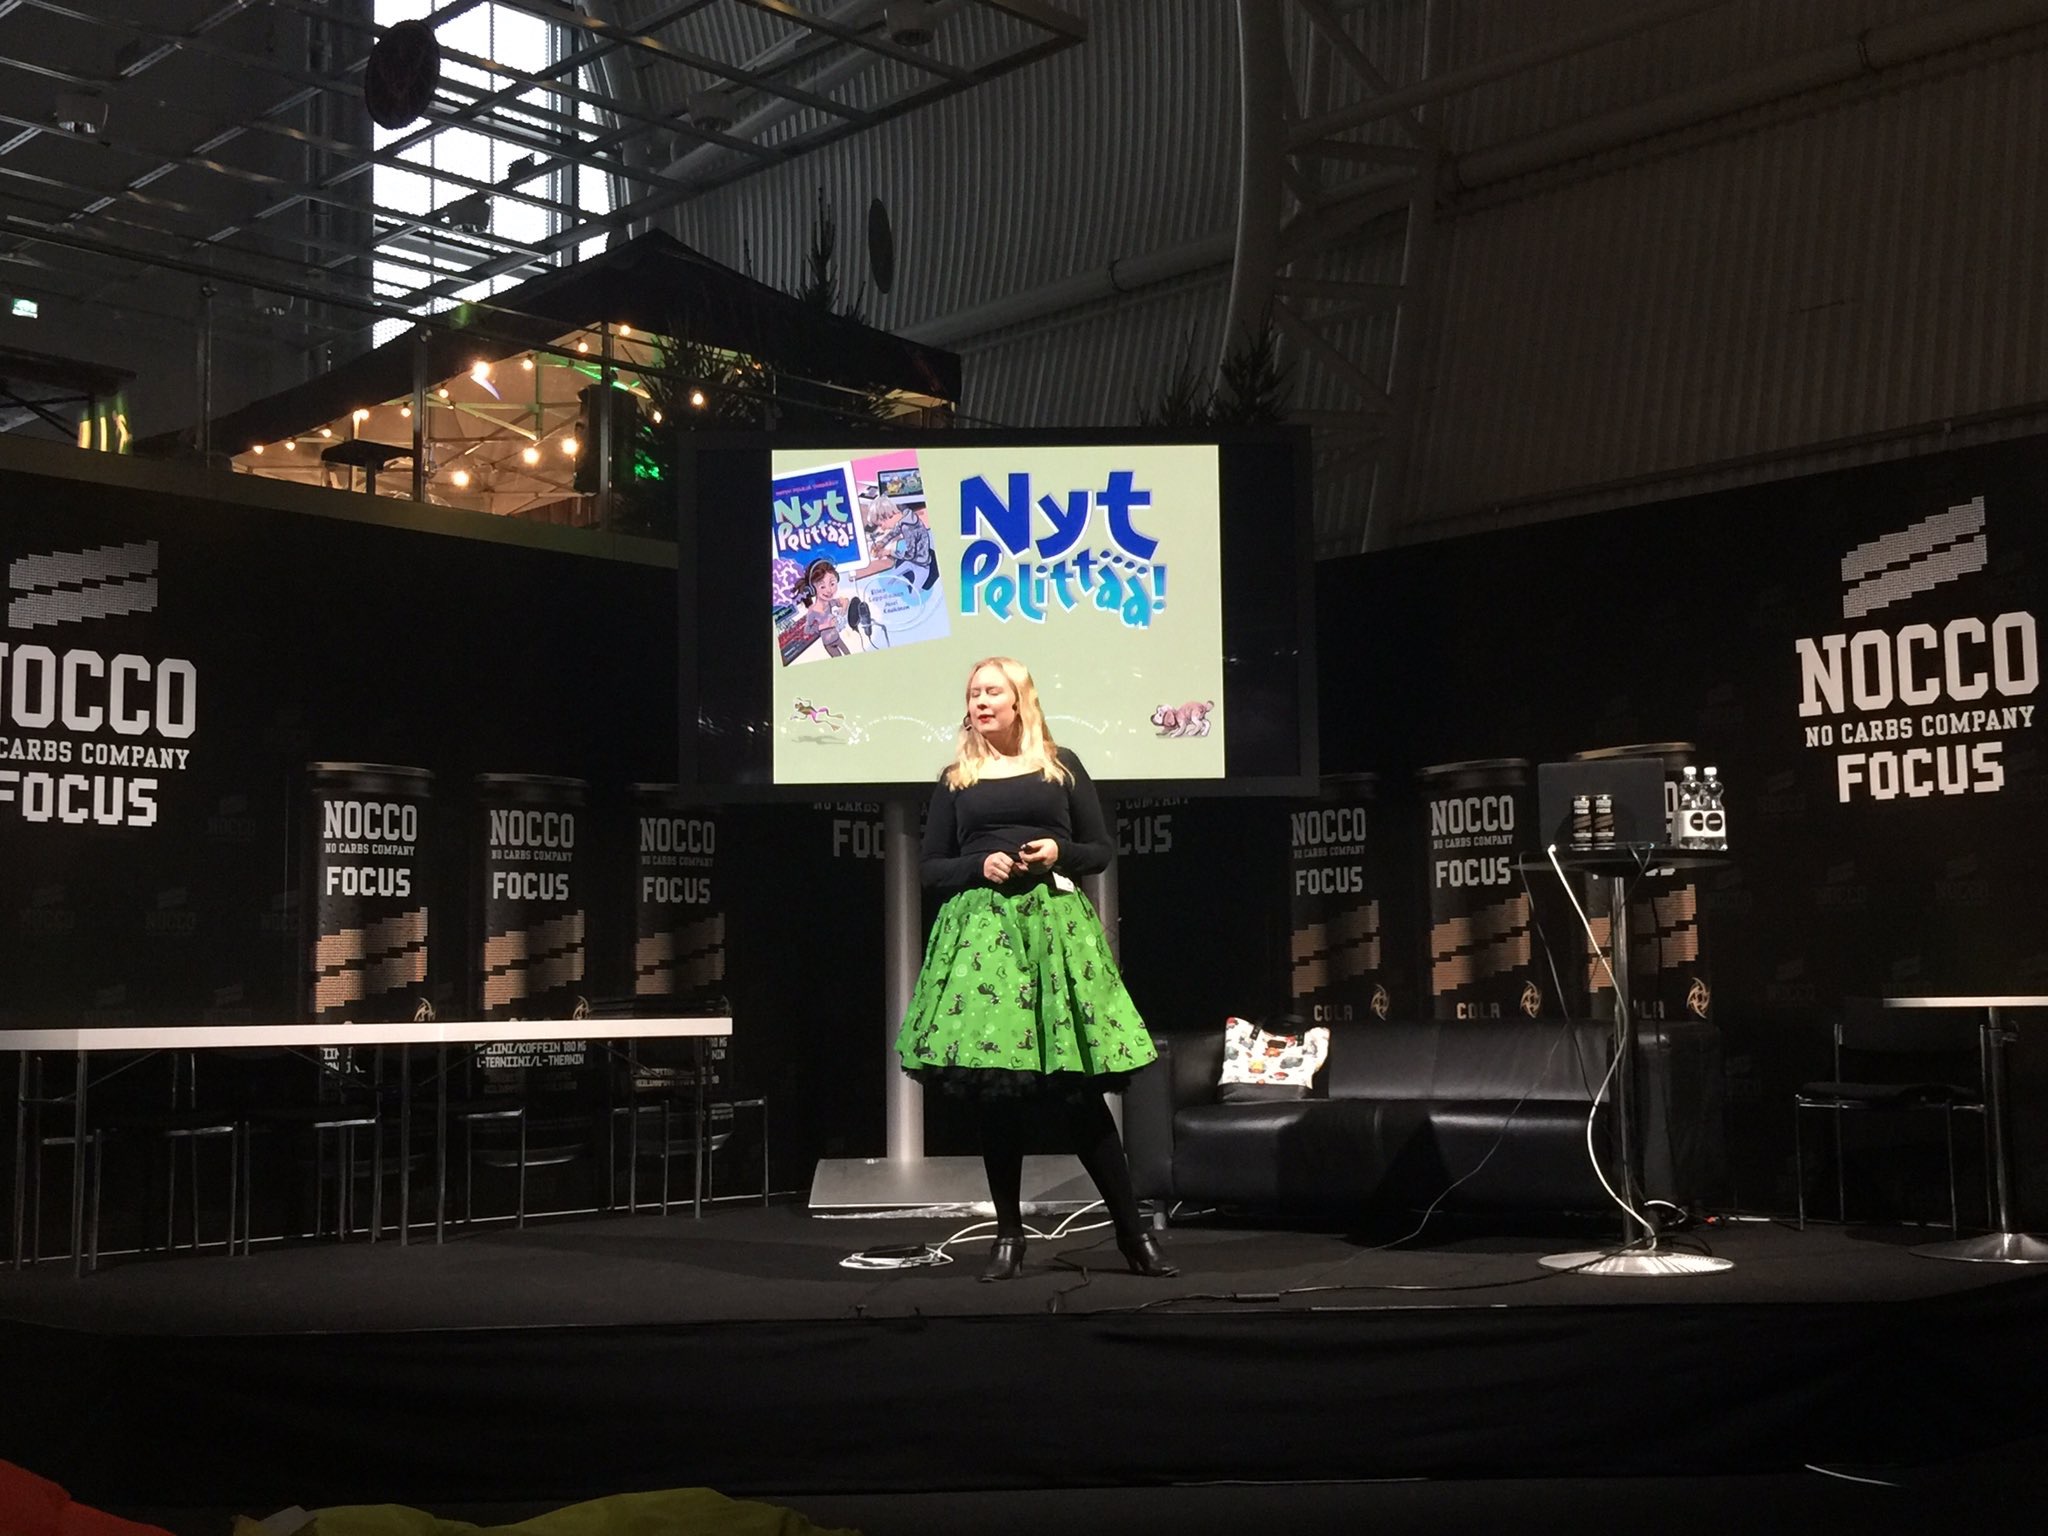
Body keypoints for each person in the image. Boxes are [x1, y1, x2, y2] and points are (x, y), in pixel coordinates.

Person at [894, 656, 1177, 1281]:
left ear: (1020, 700)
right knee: (997, 1095)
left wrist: (1058, 851)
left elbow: (1099, 851)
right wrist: (979, 865)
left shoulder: (1060, 765)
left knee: (1078, 1092)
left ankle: (1132, 1235)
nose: (980, 702)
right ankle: (1008, 1236)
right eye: (973, 693)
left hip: (1054, 932)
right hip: (984, 938)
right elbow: (931, 867)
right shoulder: (956, 778)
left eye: (992, 691)